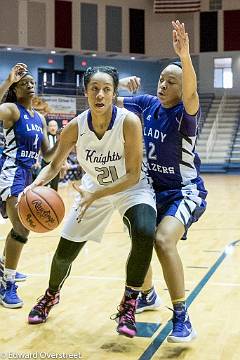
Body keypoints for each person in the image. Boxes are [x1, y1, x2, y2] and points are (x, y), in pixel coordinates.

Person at [25, 66, 157, 338]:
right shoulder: (75, 126)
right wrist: (37, 183)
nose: (100, 94)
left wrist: (97, 195)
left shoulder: (129, 121)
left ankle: (130, 303)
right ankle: (51, 295)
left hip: (130, 187)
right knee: (64, 251)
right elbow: (53, 166)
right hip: (92, 188)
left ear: (114, 93)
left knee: (145, 231)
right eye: (94, 89)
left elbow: (133, 175)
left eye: (107, 89)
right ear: (85, 92)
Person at [117, 21, 208, 342]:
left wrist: (184, 56)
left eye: (172, 82)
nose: (163, 85)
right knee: (141, 238)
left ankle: (182, 317)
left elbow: (192, 91)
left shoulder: (186, 111)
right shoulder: (145, 104)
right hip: (150, 190)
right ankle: (148, 295)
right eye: (162, 80)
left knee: (163, 240)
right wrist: (116, 84)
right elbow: (105, 104)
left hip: (184, 192)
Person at [0, 63, 58, 308]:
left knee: (21, 228)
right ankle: (7, 283)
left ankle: (5, 268)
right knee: (22, 229)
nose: (31, 86)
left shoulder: (40, 118)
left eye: (33, 83)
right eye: (24, 83)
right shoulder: (12, 110)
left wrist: (65, 142)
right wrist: (7, 81)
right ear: (16, 89)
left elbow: (47, 155)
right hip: (10, 171)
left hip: (28, 176)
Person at [41, 120, 60, 191]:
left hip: (56, 162)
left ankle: (53, 200)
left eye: (54, 126)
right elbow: (40, 150)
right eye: (51, 126)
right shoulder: (45, 137)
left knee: (55, 184)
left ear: (57, 127)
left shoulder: (60, 137)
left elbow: (63, 150)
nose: (53, 127)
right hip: (45, 162)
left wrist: (65, 162)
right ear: (48, 127)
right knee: (43, 182)